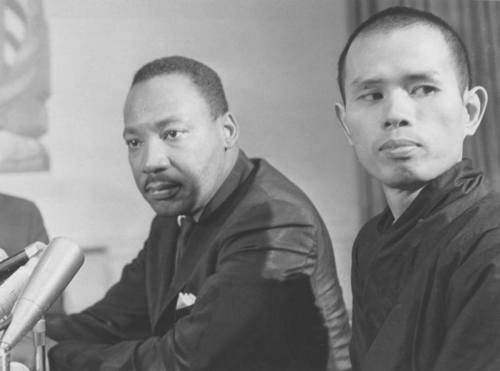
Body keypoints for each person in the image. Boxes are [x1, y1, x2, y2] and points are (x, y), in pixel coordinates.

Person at [42, 56, 351, 370]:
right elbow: (110, 322)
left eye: (172, 134)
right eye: (134, 142)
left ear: (227, 130)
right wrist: (25, 335)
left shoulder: (276, 220)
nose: (150, 161)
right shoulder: (171, 221)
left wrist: (47, 355)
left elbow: (187, 361)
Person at [335, 6, 500, 371]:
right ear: (346, 124)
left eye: (423, 89)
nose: (396, 113)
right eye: (372, 95)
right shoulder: (370, 241)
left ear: (470, 111)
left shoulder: (489, 244)